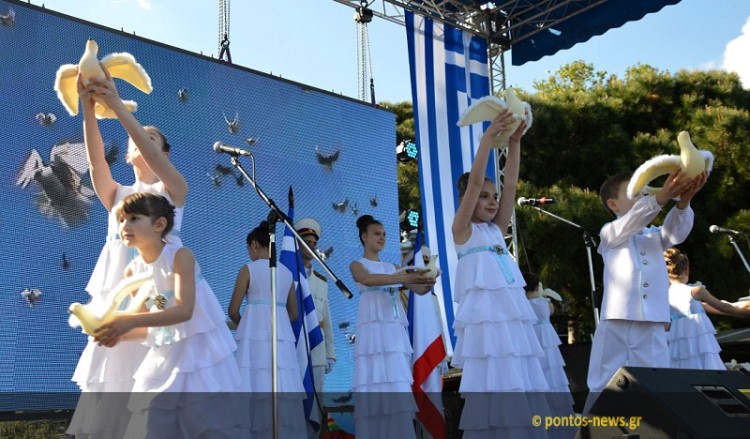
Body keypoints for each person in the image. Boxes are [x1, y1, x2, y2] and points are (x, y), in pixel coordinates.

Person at [67, 65, 188, 438]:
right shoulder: (117, 197)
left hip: (155, 297)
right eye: (138, 137)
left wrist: (119, 107)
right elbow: (96, 161)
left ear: (162, 153)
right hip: (118, 297)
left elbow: (155, 159)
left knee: (153, 384)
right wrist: (88, 107)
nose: (139, 141)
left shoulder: (172, 193)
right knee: (113, 389)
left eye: (150, 138)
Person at [94, 192, 242, 438]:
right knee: (150, 422)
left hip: (200, 353)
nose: (124, 226)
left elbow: (184, 310)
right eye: (121, 220)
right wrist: (115, 332)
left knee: (205, 424)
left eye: (133, 218)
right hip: (165, 353)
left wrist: (128, 320)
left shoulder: (181, 256)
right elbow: (145, 327)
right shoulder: (132, 271)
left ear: (159, 224)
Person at [451, 110, 550, 437]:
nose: (492, 201)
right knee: (494, 386)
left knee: (518, 382)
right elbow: (477, 180)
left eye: (493, 198)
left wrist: (516, 143)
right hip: (486, 329)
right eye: (483, 197)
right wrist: (486, 142)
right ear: (467, 198)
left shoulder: (496, 231)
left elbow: (510, 187)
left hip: (510, 327)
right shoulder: (463, 231)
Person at [584, 168, 707, 411]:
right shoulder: (609, 232)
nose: (644, 197)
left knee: (657, 382)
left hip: (653, 323)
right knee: (603, 383)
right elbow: (635, 219)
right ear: (613, 204)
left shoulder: (653, 236)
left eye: (645, 193)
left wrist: (684, 201)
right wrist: (661, 197)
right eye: (636, 193)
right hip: (617, 321)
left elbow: (676, 233)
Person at [349, 214, 435, 439]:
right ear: (364, 237)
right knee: (373, 380)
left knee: (396, 380)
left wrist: (427, 280)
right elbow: (367, 280)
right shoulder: (358, 265)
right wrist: (402, 278)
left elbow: (418, 290)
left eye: (385, 234)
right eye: (377, 234)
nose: (382, 238)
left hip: (393, 332)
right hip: (371, 332)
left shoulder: (393, 267)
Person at [228, 220, 307, 438]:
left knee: (253, 384)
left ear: (254, 245)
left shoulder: (248, 269)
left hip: (254, 337)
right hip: (281, 336)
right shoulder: (285, 272)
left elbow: (233, 309)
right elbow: (294, 313)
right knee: (281, 385)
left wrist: (245, 326)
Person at [664, 247, 750, 369]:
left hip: (680, 348)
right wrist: (745, 312)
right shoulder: (696, 291)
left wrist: (742, 307)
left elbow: (666, 325)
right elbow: (724, 307)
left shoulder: (665, 296)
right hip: (701, 345)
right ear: (687, 269)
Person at [522, 271, 574, 436]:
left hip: (532, 344)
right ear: (537, 287)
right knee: (554, 379)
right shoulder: (545, 303)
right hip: (548, 348)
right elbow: (551, 310)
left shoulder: (522, 306)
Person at [294, 219, 336, 398]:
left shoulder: (321, 281)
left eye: (314, 243)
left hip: (316, 347)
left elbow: (326, 319)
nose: (311, 246)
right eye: (306, 242)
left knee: (316, 404)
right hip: (293, 345)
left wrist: (330, 353)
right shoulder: (286, 274)